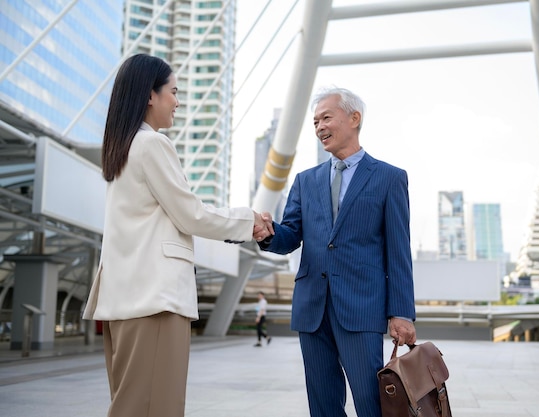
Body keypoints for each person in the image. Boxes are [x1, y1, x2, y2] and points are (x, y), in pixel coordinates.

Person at [81, 54, 273, 417]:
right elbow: (190, 213)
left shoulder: (122, 148)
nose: (178, 101)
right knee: (157, 408)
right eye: (174, 91)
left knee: (131, 404)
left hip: (125, 299)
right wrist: (248, 221)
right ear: (150, 95)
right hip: (155, 300)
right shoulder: (152, 144)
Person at [258, 87, 417, 417]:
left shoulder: (389, 178)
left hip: (361, 308)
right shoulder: (305, 181)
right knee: (323, 405)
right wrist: (268, 233)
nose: (319, 127)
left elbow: (398, 251)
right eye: (315, 122)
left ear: (355, 118)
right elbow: (291, 235)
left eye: (326, 118)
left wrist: (401, 312)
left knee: (371, 402)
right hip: (312, 308)